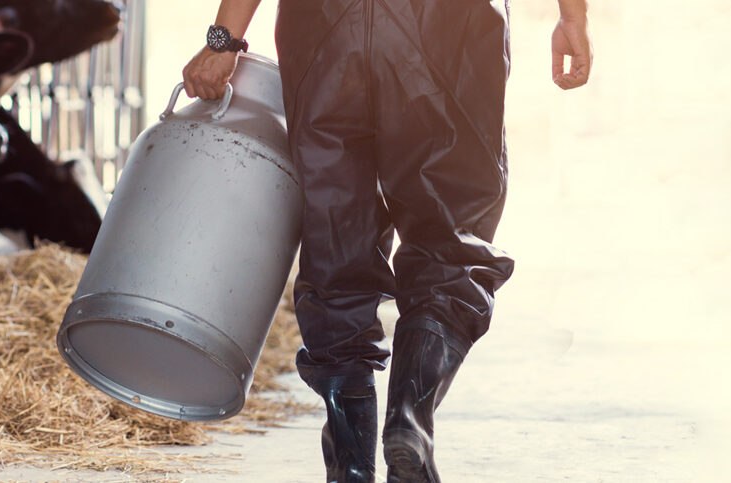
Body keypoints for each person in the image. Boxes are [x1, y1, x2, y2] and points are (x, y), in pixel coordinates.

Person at [181, 0, 591, 481]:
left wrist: (223, 40)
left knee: (336, 233)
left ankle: (350, 465)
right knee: (450, 234)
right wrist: (572, 18)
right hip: (449, 27)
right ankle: (409, 422)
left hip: (322, 30)